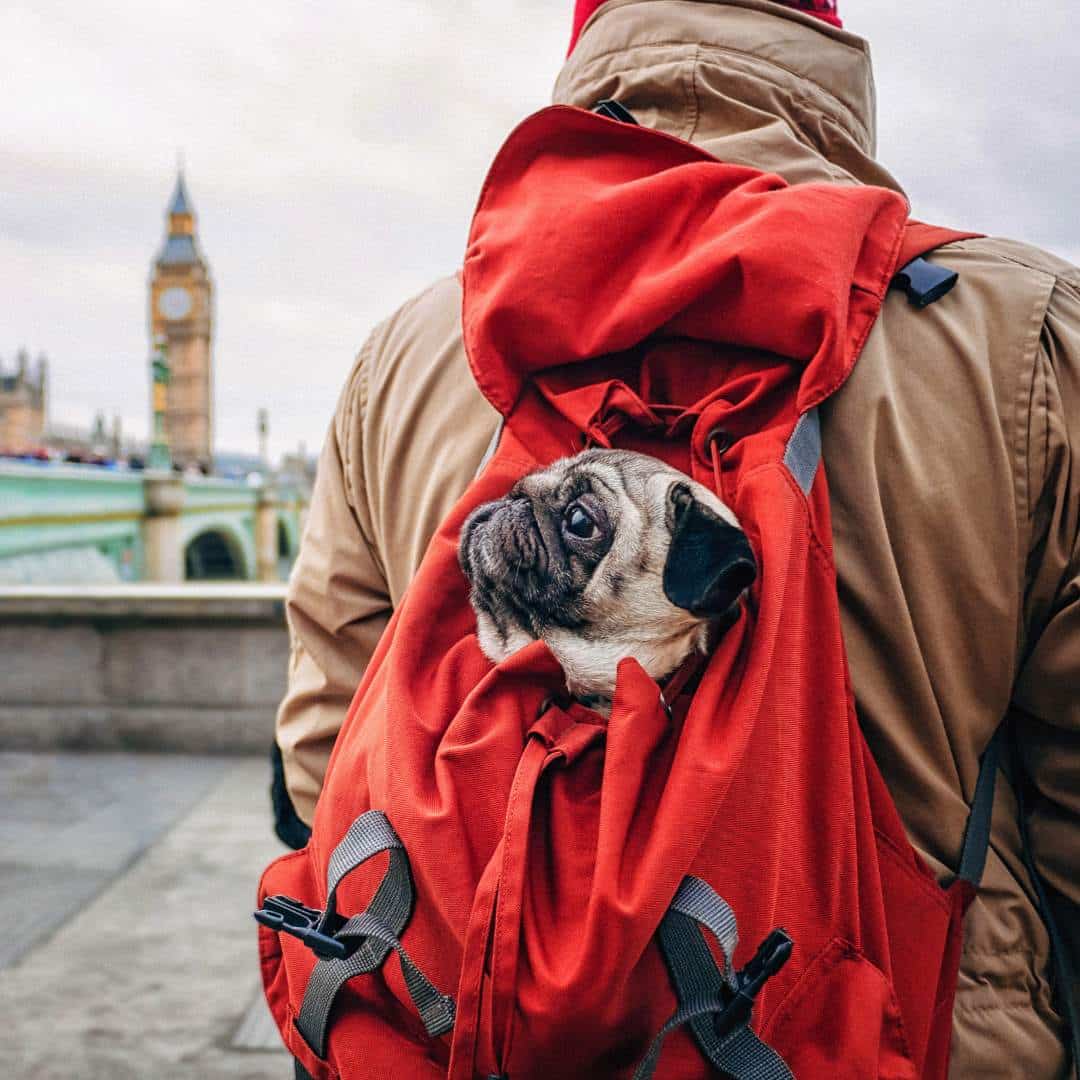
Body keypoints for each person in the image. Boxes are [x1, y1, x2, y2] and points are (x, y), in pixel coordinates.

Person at [275, 1, 1079, 1074]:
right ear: (825, 36)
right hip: (900, 1032)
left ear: (587, 36)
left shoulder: (413, 351)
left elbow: (324, 745)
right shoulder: (1023, 339)